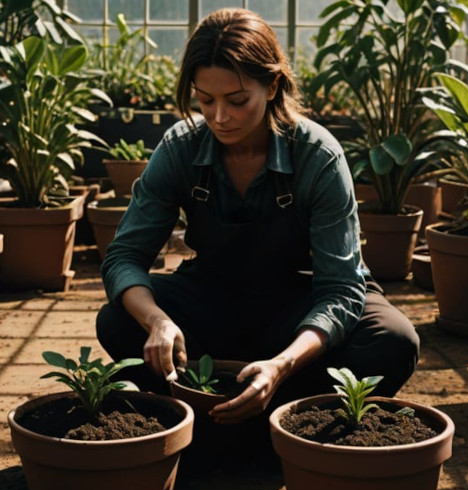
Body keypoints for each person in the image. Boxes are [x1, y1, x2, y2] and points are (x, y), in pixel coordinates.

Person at [96, 7, 419, 426]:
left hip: (298, 306)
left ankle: (275, 414)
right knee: (119, 319)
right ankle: (237, 411)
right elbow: (123, 257)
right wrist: (158, 322)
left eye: (237, 100)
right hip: (215, 298)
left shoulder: (317, 155)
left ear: (273, 86)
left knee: (393, 339)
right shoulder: (181, 148)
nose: (218, 117)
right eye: (205, 99)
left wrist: (283, 364)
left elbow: (340, 288)